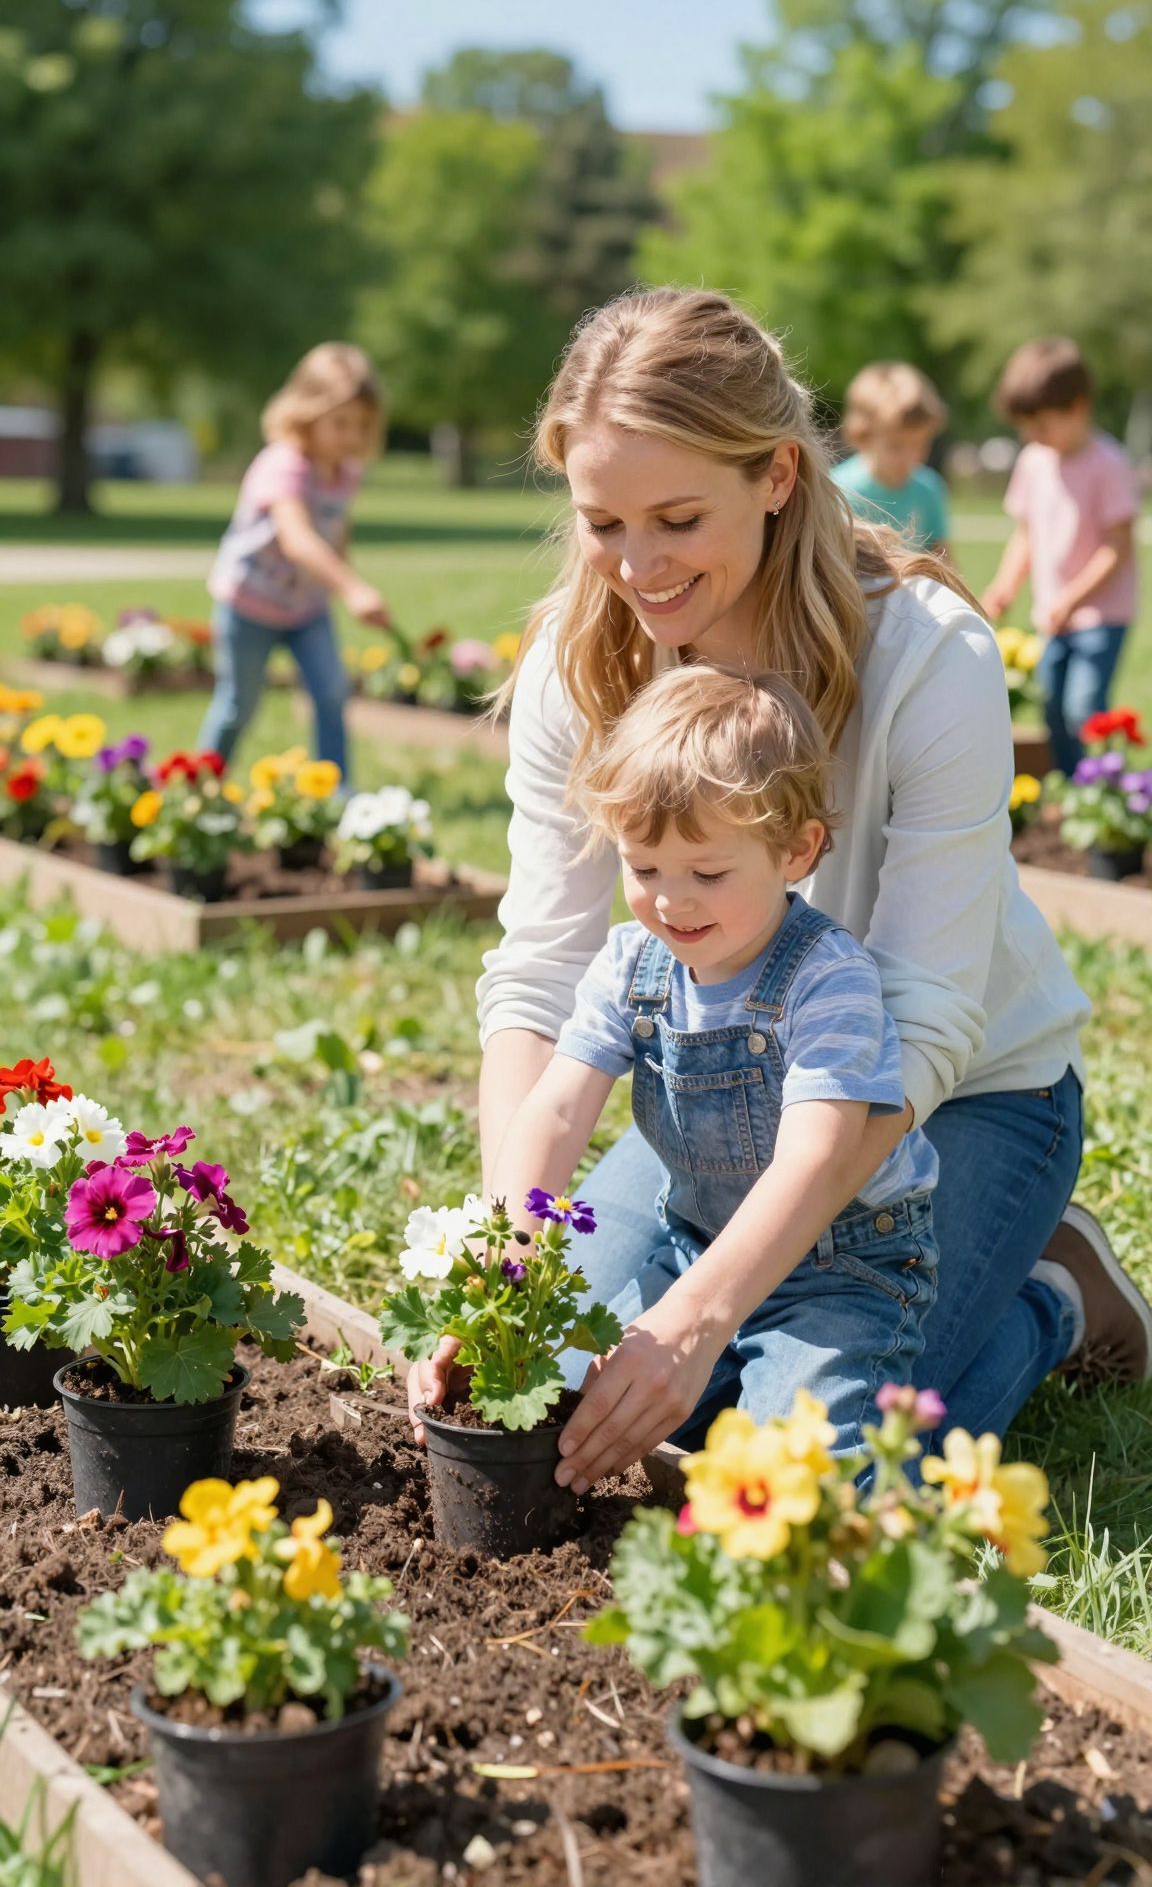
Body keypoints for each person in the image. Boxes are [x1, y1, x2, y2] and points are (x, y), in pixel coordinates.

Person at [408, 287, 1151, 1495]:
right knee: (564, 1393)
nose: (637, 567)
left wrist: (705, 1307)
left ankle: (1054, 1297)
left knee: (801, 1466)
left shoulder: (926, 654)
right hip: (710, 1099)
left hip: (952, 1102)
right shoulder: (579, 661)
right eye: (602, 521)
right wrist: (508, 1264)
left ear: (778, 476)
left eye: (677, 516)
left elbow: (919, 1019)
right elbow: (540, 971)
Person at [483, 664, 940, 1463]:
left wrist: (690, 1322)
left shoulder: (827, 978)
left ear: (797, 851)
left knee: (798, 1480)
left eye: (709, 873)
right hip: (692, 1243)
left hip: (839, 1271)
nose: (672, 901)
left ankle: (1046, 1311)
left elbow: (816, 1159)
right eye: (644, 867)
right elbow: (556, 1112)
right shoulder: (633, 965)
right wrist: (502, 1268)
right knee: (572, 1410)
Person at [199, 343, 390, 776]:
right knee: (237, 705)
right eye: (340, 423)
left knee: (330, 694)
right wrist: (353, 588)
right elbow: (298, 539)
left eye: (362, 425)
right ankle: (199, 787)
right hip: (249, 604)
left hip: (306, 609)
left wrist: (346, 582)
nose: (352, 436)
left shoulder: (346, 473)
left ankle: (336, 794)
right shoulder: (283, 465)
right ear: (307, 412)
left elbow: (336, 531)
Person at [982, 339, 1140, 778]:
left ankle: (1104, 787)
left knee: (1084, 708)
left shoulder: (1108, 464)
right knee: (1052, 709)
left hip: (1100, 615)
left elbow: (1117, 547)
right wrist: (1005, 585)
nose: (1034, 436)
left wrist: (1072, 597)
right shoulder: (1034, 462)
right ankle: (1075, 790)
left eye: (1044, 425)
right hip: (1053, 614)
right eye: (1027, 427)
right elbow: (1026, 535)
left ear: (1079, 407)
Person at [831, 361, 951, 555]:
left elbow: (943, 558)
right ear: (863, 437)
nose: (911, 457)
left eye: (920, 444)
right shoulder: (840, 490)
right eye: (896, 446)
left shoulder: (929, 489)